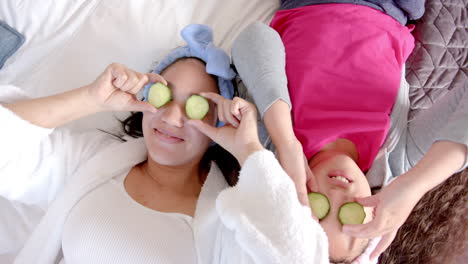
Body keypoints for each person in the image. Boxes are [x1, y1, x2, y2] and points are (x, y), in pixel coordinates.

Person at [0, 24, 329, 264]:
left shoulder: (230, 218)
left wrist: (250, 150)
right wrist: (91, 99)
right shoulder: (91, 161)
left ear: (217, 123)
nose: (172, 118)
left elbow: (297, 255)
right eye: (165, 94)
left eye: (195, 105)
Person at [231, 1, 467, 263]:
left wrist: (286, 141)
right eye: (350, 214)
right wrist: (415, 186)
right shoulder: (396, 159)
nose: (337, 193)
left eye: (318, 208)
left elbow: (254, 37)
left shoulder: (272, 141)